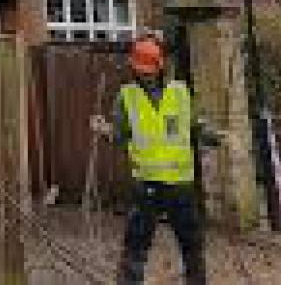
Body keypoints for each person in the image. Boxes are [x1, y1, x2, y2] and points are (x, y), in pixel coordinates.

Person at [91, 33, 225, 285]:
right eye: (141, 71)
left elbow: (195, 126)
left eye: (149, 71)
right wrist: (105, 130)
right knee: (136, 245)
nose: (145, 76)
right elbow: (120, 136)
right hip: (146, 186)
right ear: (133, 68)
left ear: (161, 66)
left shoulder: (180, 93)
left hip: (180, 186)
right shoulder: (127, 97)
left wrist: (215, 136)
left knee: (192, 244)